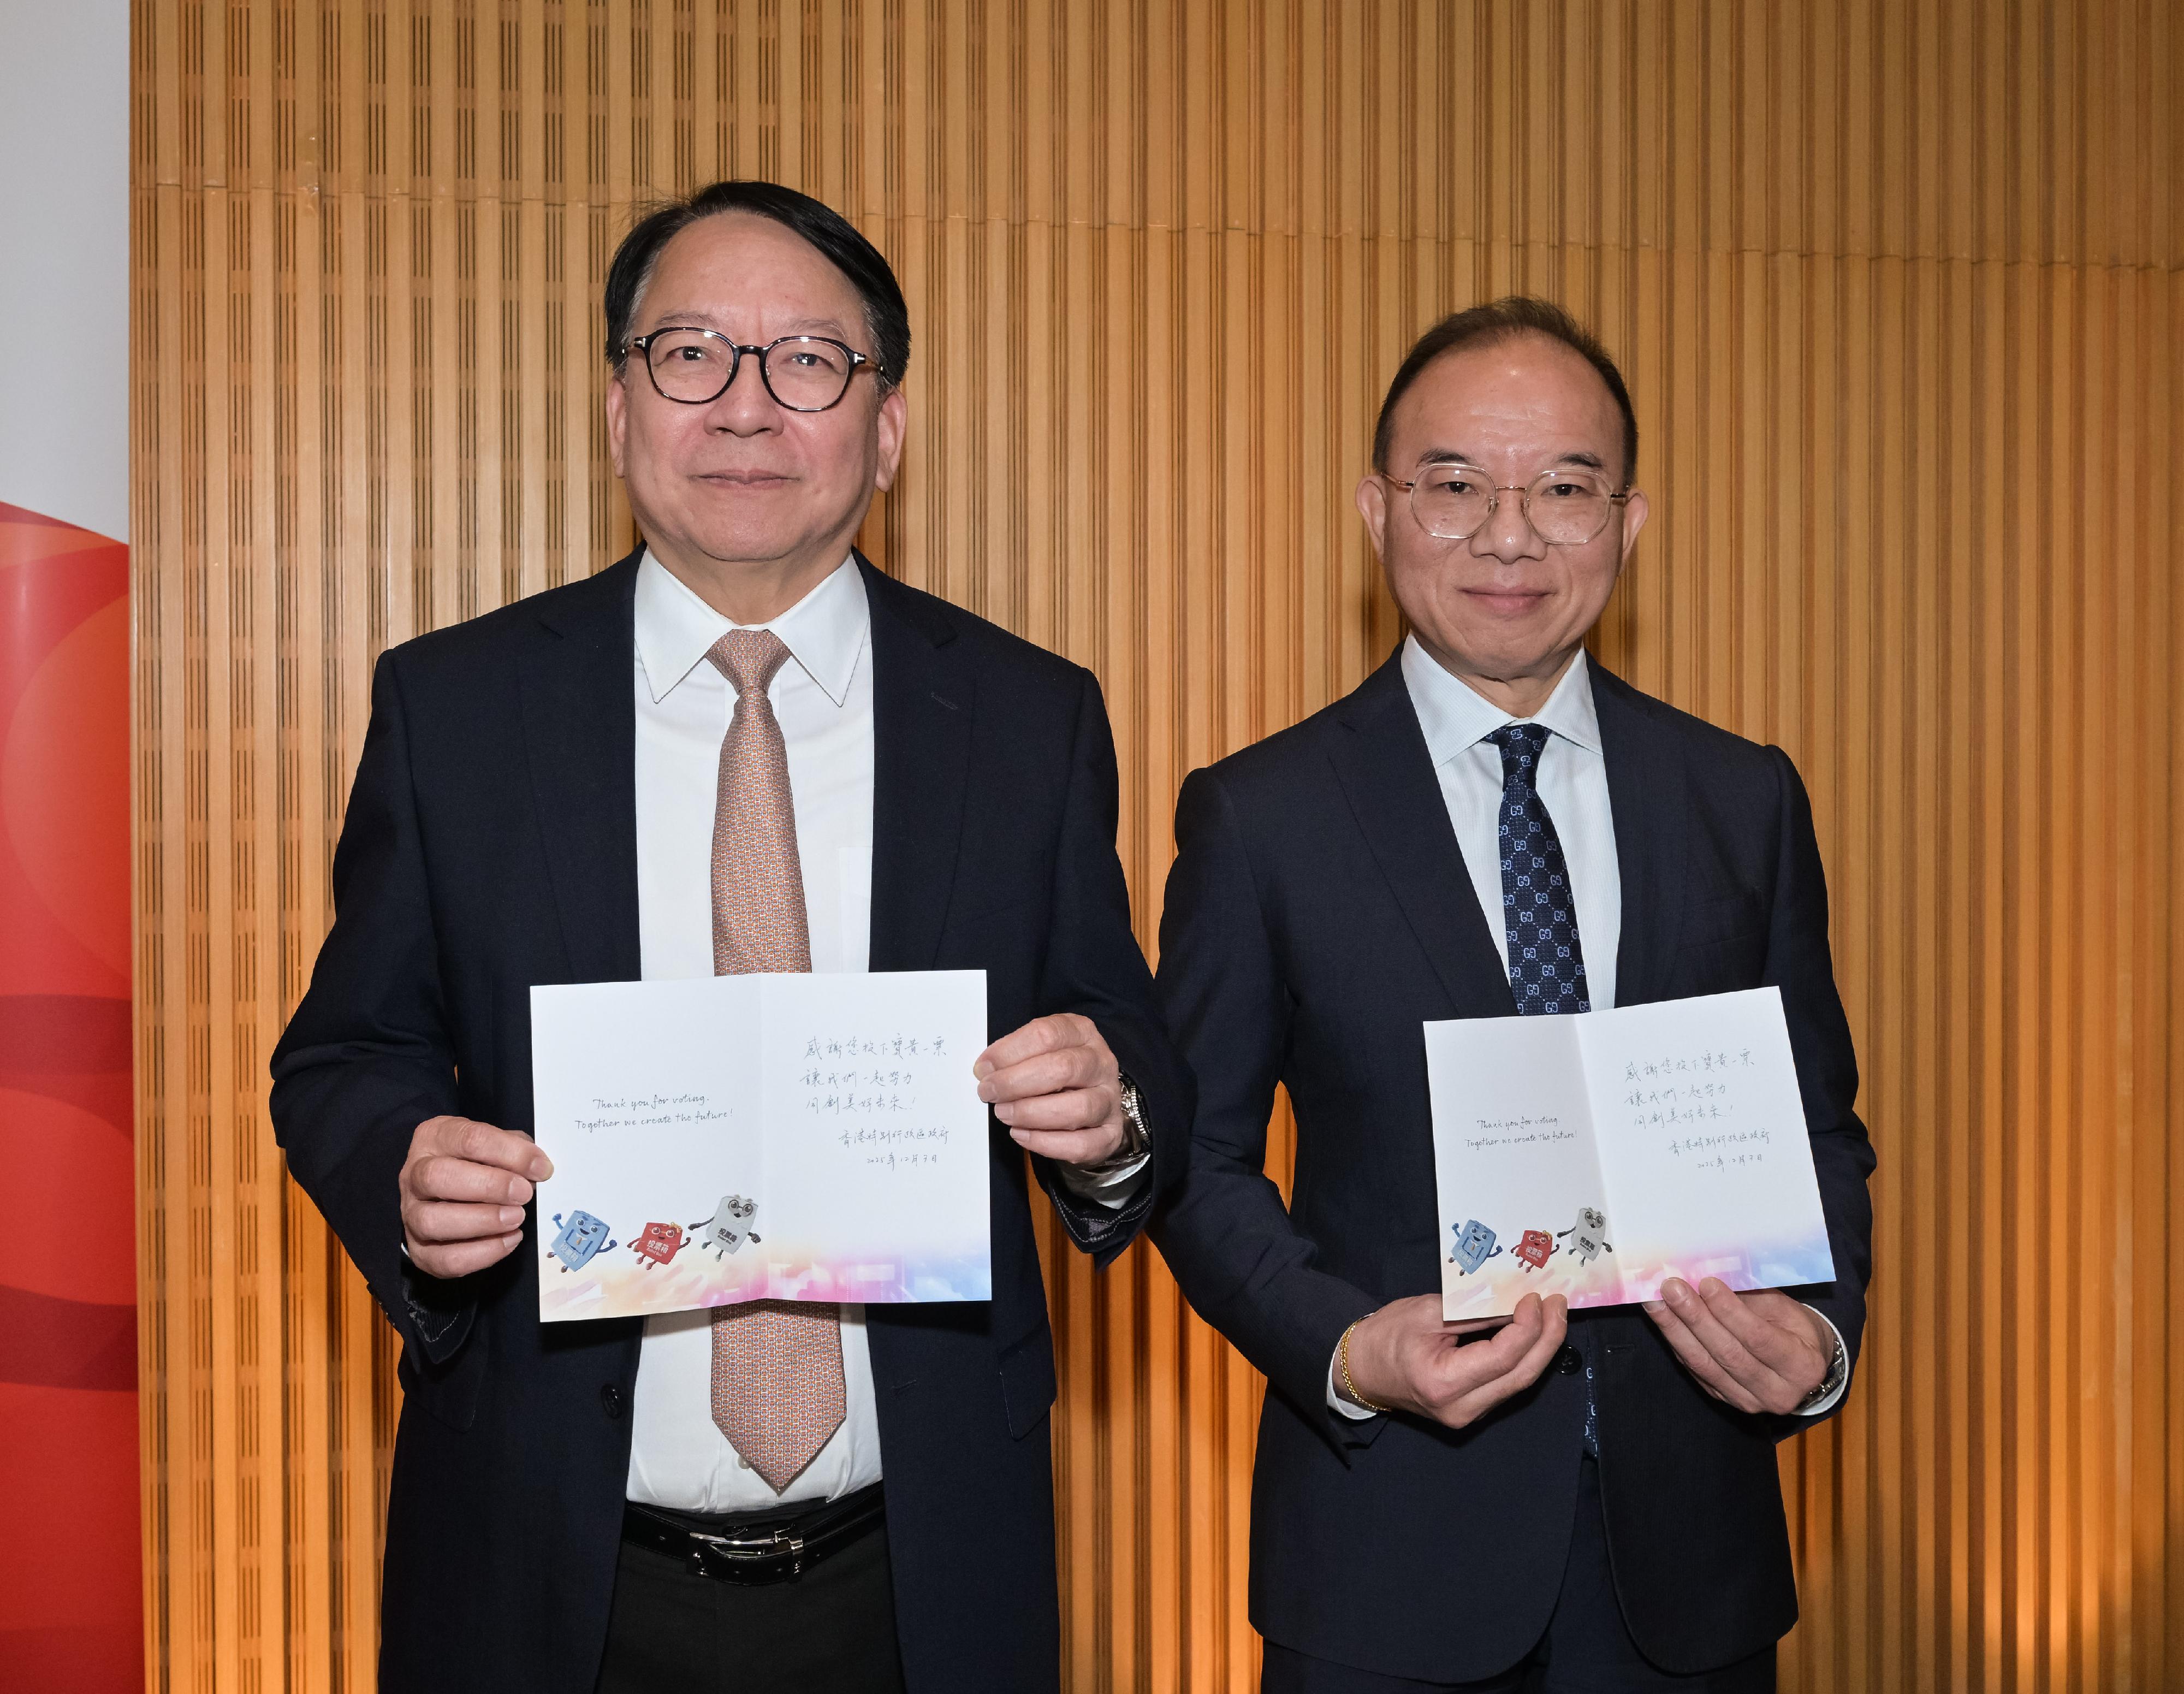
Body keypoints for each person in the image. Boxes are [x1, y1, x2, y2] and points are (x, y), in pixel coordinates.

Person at [269, 179, 1190, 1694]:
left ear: (886, 426)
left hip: (922, 1564)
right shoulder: (459, 709)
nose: (749, 405)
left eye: (810, 360)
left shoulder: (1027, 716)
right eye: (692, 352)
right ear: (619, 407)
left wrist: (1107, 1110)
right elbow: (346, 1053)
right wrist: (406, 1167)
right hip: (548, 1562)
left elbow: (1127, 1034)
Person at [1150, 297, 1874, 1692]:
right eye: (1453, 486)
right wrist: (1347, 1347)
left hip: (1692, 1566)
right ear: (1377, 512)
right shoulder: (1262, 817)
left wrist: (1823, 1337)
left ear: (1627, 520)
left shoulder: (1740, 799)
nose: (1509, 534)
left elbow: (1818, 1128)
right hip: (1385, 1557)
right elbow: (1198, 1164)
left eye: (1562, 487)